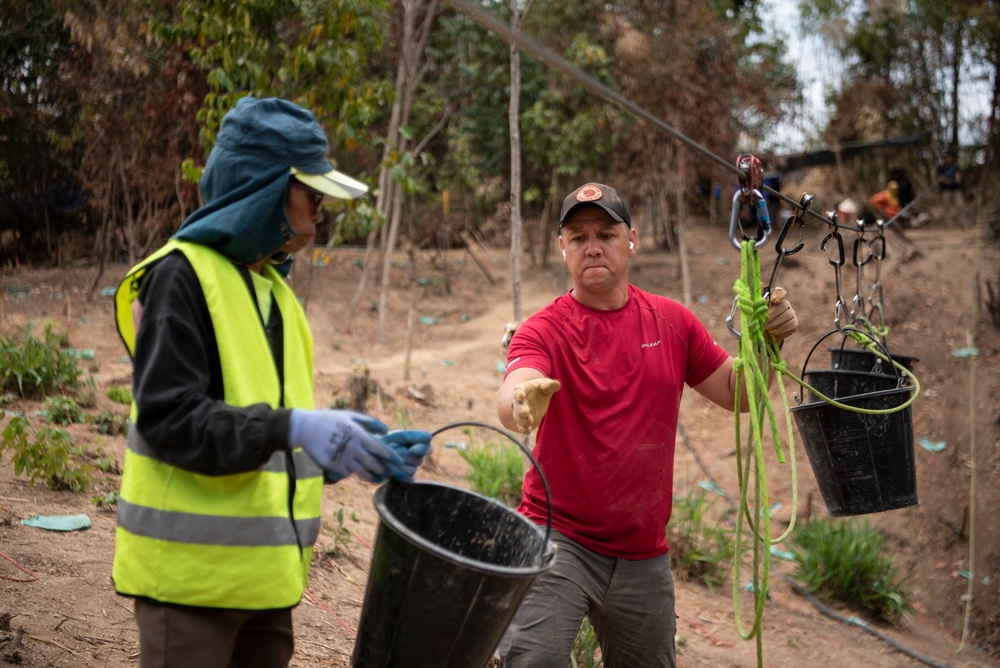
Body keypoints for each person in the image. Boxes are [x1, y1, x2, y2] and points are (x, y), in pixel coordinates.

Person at [111, 96, 432, 667]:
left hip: (265, 590)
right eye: (312, 196)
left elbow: (265, 435)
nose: (319, 214)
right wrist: (298, 426)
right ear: (265, 192)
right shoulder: (180, 277)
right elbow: (170, 420)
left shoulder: (275, 296)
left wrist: (339, 457)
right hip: (191, 588)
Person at [494, 182, 799, 667]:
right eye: (578, 237)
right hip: (557, 537)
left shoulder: (672, 322)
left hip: (643, 553)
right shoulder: (543, 329)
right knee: (533, 660)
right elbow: (515, 391)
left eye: (606, 234)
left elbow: (739, 393)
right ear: (563, 249)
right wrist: (522, 399)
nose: (592, 246)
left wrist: (766, 343)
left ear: (631, 239)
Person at [936, 153, 963, 228]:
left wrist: (956, 180)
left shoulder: (955, 167)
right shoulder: (941, 168)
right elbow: (940, 178)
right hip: (945, 190)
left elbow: (958, 176)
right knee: (946, 207)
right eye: (946, 158)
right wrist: (948, 181)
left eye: (949, 158)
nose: (948, 159)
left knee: (960, 205)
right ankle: (948, 225)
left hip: (956, 189)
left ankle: (963, 223)